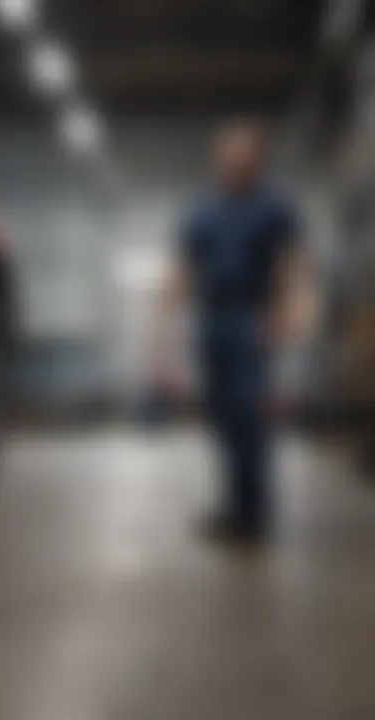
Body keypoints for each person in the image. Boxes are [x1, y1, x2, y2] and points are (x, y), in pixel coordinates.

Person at [157, 122, 308, 546]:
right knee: (221, 418)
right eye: (226, 154)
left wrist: (289, 308)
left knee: (248, 417)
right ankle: (233, 505)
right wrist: (164, 319)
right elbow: (182, 268)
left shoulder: (274, 208)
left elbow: (289, 262)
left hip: (249, 319)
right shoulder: (201, 210)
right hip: (211, 320)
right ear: (217, 159)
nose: (232, 161)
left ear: (257, 160)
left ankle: (254, 515)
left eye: (241, 154)